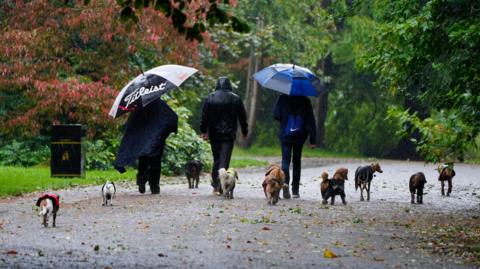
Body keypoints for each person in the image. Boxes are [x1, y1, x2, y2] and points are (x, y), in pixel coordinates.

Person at [114, 98, 178, 194]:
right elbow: (173, 118)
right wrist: (166, 132)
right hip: (157, 139)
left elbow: (130, 124)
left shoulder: (139, 107)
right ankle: (154, 186)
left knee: (143, 161)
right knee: (156, 163)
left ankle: (141, 180)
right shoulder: (161, 105)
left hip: (142, 141)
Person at [200, 77, 248, 195]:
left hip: (214, 133)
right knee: (224, 159)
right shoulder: (236, 98)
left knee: (216, 158)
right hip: (229, 134)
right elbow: (242, 117)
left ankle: (216, 186)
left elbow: (204, 117)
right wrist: (244, 130)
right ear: (229, 85)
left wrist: (203, 131)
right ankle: (220, 186)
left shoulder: (210, 98)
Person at [273, 94, 316, 199]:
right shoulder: (305, 99)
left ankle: (285, 184)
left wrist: (285, 117)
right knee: (297, 161)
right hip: (300, 136)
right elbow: (311, 120)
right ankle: (295, 190)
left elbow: (275, 115)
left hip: (285, 134)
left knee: (285, 161)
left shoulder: (282, 97)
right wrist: (313, 139)